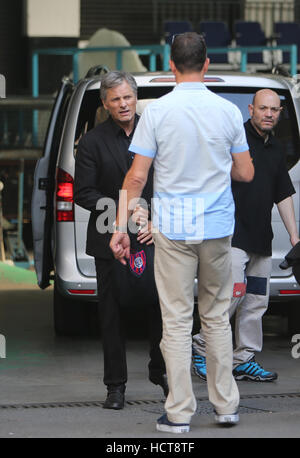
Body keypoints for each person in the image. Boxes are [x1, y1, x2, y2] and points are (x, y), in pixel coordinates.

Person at [109, 32, 254, 433]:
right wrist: (214, 165)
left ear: (170, 66)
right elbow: (245, 172)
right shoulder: (227, 112)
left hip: (174, 227)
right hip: (217, 228)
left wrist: (120, 226)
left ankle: (179, 414)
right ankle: (226, 407)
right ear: (207, 65)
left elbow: (137, 177)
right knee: (216, 319)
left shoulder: (155, 112)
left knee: (175, 321)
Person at [74, 71, 167, 411]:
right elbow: (84, 193)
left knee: (161, 309)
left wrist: (153, 216)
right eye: (115, 99)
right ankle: (115, 387)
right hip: (109, 239)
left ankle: (162, 373)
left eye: (127, 97)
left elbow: (170, 182)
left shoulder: (156, 133)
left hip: (153, 235)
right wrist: (126, 215)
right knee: (111, 315)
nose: (123, 104)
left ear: (135, 97)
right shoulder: (93, 142)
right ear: (105, 105)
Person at [192, 89, 299, 382]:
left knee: (255, 301)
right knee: (231, 296)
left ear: (279, 114)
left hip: (261, 239)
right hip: (232, 236)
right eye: (263, 108)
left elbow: (284, 194)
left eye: (274, 110)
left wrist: (294, 238)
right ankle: (200, 349)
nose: (268, 114)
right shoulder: (233, 142)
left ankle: (244, 358)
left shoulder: (276, 149)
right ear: (251, 109)